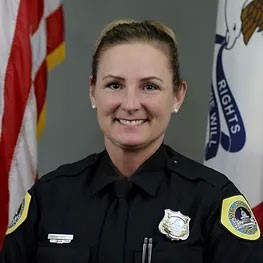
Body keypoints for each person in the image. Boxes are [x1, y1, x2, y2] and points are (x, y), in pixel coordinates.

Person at [1, 18, 262, 263]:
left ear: (177, 96)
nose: (130, 104)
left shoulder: (211, 200)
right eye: (115, 85)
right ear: (93, 92)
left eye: (149, 86)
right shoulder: (49, 198)